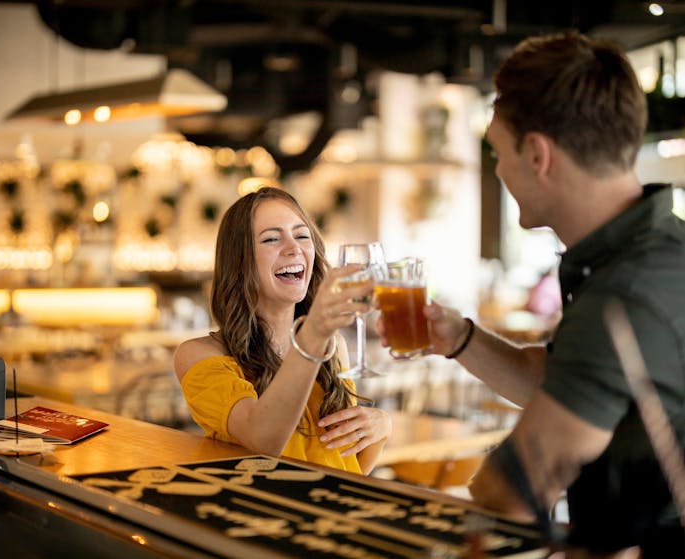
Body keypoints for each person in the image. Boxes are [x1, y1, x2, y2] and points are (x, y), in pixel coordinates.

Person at [377, 32, 685, 557]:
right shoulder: (656, 251)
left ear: (538, 153)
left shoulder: (625, 293)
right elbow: (566, 382)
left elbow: (512, 490)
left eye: (498, 152)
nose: (498, 170)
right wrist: (462, 340)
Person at [174, 186, 391, 475]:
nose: (294, 248)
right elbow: (262, 438)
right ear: (240, 262)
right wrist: (314, 332)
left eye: (302, 235)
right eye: (271, 239)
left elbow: (347, 467)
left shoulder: (333, 346)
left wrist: (382, 427)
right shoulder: (198, 355)